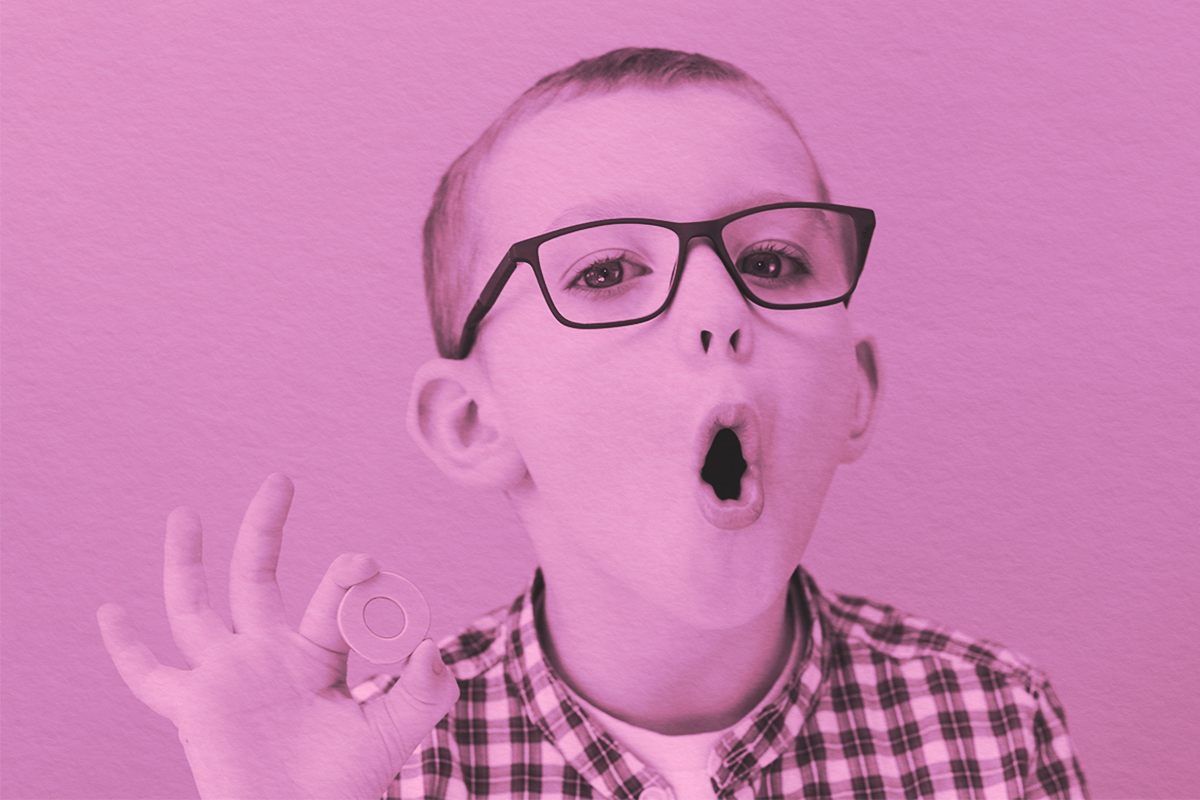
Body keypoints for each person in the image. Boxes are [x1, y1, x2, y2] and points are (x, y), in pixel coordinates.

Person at [98, 48, 1088, 799]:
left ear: (856, 390)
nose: (720, 308)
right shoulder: (384, 766)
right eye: (607, 271)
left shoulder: (990, 721)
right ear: (474, 421)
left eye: (773, 261)